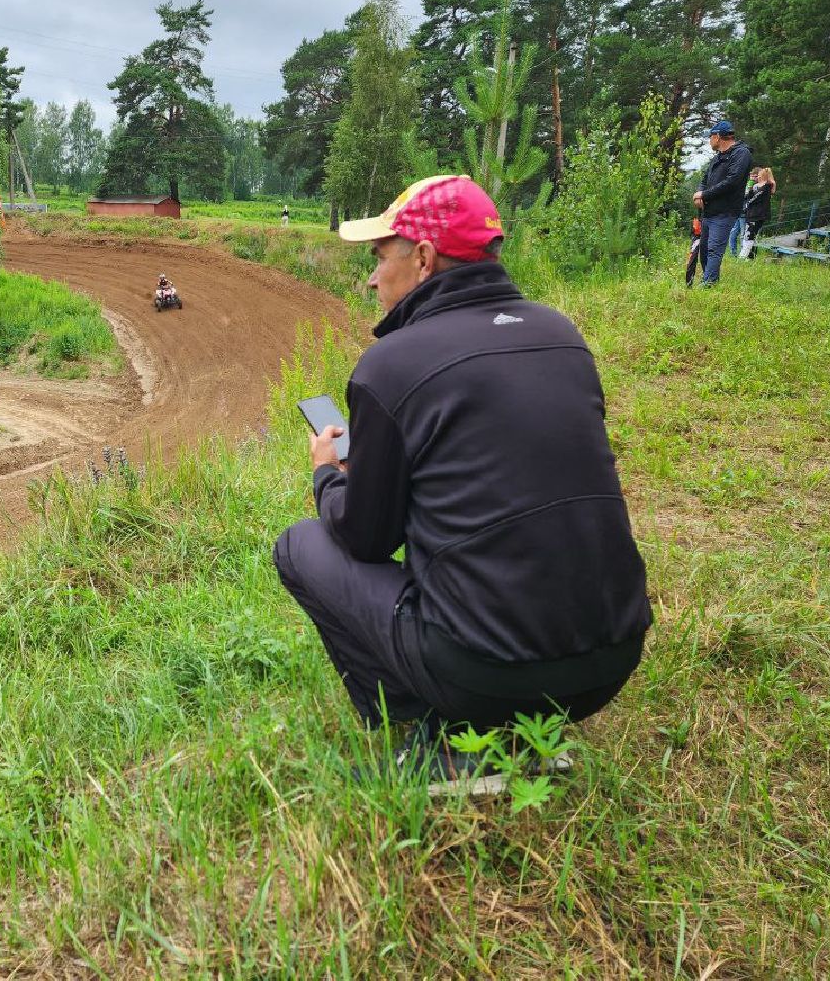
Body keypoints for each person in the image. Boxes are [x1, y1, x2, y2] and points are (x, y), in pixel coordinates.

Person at [273, 174, 652, 795]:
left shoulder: (391, 364)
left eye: (379, 257)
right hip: (611, 660)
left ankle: (444, 741)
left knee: (299, 545)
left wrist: (328, 473)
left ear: (422, 259)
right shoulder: (564, 335)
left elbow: (366, 540)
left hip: (485, 671)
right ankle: (525, 737)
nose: (372, 279)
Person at [693, 120, 752, 286]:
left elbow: (732, 181)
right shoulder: (718, 157)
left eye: (711, 136)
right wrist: (700, 196)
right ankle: (709, 279)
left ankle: (709, 283)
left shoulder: (741, 154)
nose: (709, 140)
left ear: (718, 136)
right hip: (709, 211)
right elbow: (705, 179)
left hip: (725, 211)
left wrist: (704, 194)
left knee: (714, 249)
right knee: (704, 249)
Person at [740, 167, 775, 258]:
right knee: (749, 235)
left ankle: (743, 256)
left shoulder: (767, 185)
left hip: (758, 214)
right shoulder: (755, 185)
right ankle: (750, 257)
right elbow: (747, 196)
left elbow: (755, 198)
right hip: (750, 213)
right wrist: (749, 188)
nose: (757, 176)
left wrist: (747, 203)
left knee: (750, 234)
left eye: (759, 174)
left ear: (764, 175)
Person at [685, 215, 704, 287]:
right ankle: (689, 283)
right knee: (692, 257)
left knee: (710, 255)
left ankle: (709, 280)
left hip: (712, 223)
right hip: (698, 231)